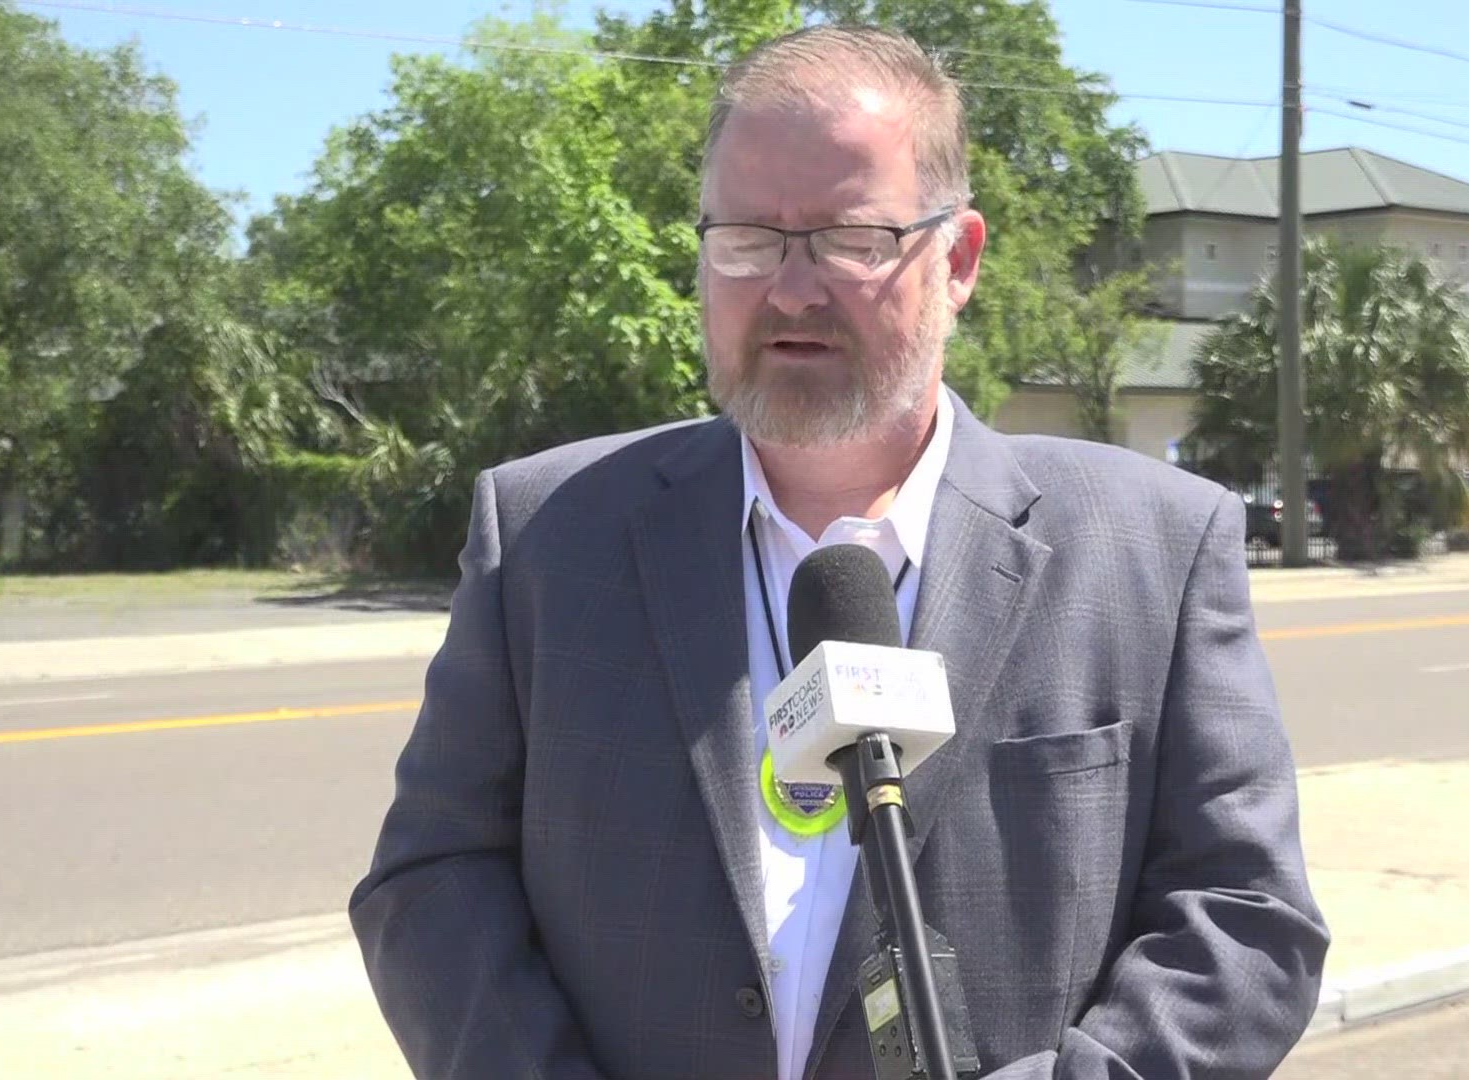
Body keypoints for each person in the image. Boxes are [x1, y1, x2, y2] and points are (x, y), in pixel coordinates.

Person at [351, 24, 1329, 1080]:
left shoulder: (1156, 545)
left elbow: (1245, 918)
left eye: (850, 239)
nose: (790, 289)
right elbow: (434, 882)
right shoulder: (544, 533)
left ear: (957, 260)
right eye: (747, 238)